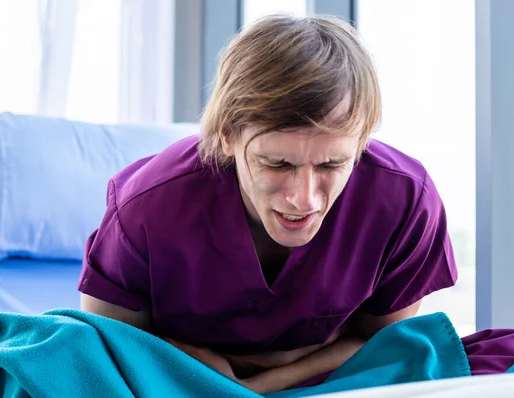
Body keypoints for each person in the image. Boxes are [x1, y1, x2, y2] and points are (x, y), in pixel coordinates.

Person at [77, 14, 458, 393]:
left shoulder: (405, 201)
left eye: (332, 164)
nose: (304, 198)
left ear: (360, 144)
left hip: (323, 381)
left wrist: (253, 387)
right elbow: (106, 351)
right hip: (170, 382)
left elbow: (385, 348)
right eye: (277, 164)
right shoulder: (146, 208)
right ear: (227, 136)